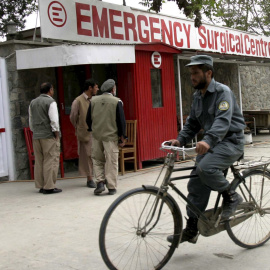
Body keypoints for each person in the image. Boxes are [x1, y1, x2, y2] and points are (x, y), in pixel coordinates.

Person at [167, 55, 246, 244]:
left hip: (231, 142)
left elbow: (222, 121)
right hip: (214, 145)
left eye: (195, 73)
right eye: (191, 73)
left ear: (208, 73)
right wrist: (180, 140)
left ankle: (232, 196)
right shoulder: (198, 96)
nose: (192, 77)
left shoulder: (222, 92)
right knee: (195, 183)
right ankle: (192, 228)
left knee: (205, 169)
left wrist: (208, 140)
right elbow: (192, 123)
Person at [86, 79, 126, 195]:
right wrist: (122, 136)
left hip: (97, 135)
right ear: (113, 89)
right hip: (111, 136)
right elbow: (121, 121)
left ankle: (100, 182)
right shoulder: (117, 101)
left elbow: (88, 118)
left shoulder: (93, 100)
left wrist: (91, 129)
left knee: (97, 159)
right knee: (111, 160)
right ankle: (111, 186)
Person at [29, 82, 62, 194]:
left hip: (36, 135)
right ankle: (49, 186)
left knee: (39, 161)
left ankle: (41, 185)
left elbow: (31, 120)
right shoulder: (51, 102)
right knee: (50, 160)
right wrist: (56, 134)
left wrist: (35, 131)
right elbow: (54, 120)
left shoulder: (32, 102)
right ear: (50, 90)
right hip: (48, 136)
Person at [70, 78, 99, 188]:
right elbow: (73, 117)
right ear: (90, 88)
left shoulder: (94, 100)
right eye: (96, 87)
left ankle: (98, 176)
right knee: (86, 155)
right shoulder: (78, 101)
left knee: (96, 154)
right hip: (85, 133)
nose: (97, 89)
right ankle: (89, 178)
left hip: (96, 132)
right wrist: (79, 127)